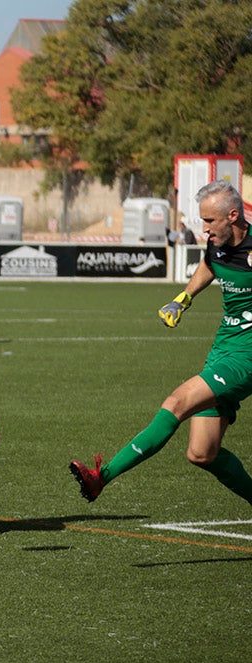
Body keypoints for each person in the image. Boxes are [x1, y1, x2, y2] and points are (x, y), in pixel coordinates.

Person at [70, 180, 252, 506]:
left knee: (176, 402)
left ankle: (102, 477)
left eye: (209, 221)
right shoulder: (217, 244)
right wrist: (182, 299)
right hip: (222, 350)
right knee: (201, 453)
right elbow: (210, 264)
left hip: (246, 358)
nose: (204, 228)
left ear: (233, 215)